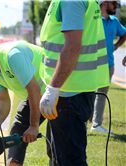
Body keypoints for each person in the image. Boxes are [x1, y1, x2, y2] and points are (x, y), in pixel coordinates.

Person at [39, 1, 110, 166]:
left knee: (70, 161)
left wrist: (53, 88)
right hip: (72, 90)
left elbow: (72, 46)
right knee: (60, 157)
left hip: (68, 92)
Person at [0, 41, 46, 166]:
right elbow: (3, 99)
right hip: (36, 94)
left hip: (59, 88)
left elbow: (34, 90)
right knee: (18, 130)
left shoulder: (12, 55)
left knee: (57, 140)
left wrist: (34, 126)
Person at [90, 0, 126, 134]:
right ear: (104, 3)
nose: (116, 6)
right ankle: (83, 121)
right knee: (88, 93)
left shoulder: (114, 21)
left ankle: (96, 125)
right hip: (92, 64)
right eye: (114, 3)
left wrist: (116, 46)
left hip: (109, 64)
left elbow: (124, 33)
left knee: (101, 95)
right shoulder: (93, 20)